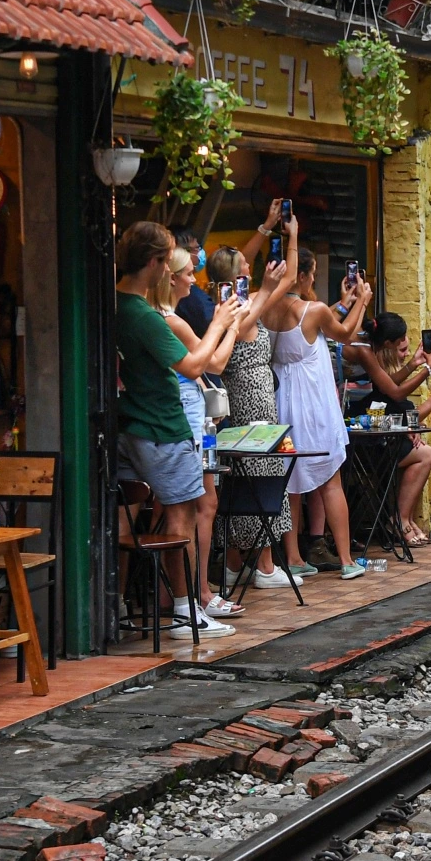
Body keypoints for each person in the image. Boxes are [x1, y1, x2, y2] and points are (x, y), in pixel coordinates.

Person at [110, 222, 238, 638]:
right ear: (153, 263)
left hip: (129, 422)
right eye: (167, 262)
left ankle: (120, 605)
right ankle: (185, 611)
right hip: (160, 425)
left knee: (127, 517)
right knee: (181, 514)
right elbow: (195, 366)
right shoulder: (144, 315)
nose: (172, 271)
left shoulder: (112, 304)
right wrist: (220, 322)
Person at [147, 244, 244, 619]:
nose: (194, 278)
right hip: (184, 421)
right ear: (170, 277)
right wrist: (228, 325)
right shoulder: (171, 320)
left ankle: (179, 595)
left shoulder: (160, 317)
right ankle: (197, 594)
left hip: (182, 416)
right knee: (198, 506)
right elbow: (214, 361)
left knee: (177, 508)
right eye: (188, 272)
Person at [266, 247, 373, 578]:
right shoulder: (311, 310)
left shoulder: (266, 309)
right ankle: (346, 560)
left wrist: (342, 304)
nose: (314, 279)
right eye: (311, 274)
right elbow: (344, 333)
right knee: (330, 479)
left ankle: (295, 556)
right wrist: (362, 302)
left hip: (283, 401)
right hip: (313, 402)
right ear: (301, 275)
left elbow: (321, 319)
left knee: (291, 480)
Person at [204, 233, 298, 587]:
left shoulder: (242, 305)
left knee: (254, 474)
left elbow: (286, 279)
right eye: (244, 263)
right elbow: (262, 301)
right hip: (248, 398)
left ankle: (234, 563)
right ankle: (263, 565)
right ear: (235, 276)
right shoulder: (233, 313)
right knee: (256, 476)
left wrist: (292, 232)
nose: (250, 264)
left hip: (258, 394)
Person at [344, 313, 431, 548]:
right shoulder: (367, 356)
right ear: (387, 345)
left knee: (424, 451)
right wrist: (428, 368)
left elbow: (399, 397)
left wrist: (417, 366)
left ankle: (402, 518)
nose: (406, 353)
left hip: (382, 440)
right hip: (367, 445)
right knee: (425, 453)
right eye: (402, 348)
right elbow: (398, 395)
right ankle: (400, 520)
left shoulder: (381, 376)